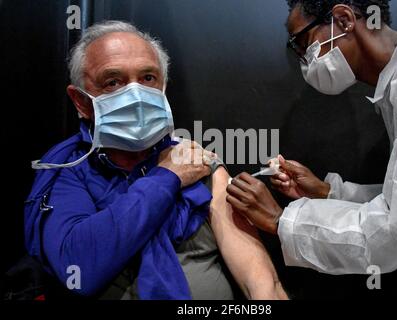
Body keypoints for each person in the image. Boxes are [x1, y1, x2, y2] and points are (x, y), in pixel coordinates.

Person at [25, 20, 287, 300]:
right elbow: (78, 268)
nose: (136, 95)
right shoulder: (67, 170)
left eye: (148, 78)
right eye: (113, 82)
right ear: (81, 101)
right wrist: (167, 177)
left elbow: (260, 281)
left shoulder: (197, 162)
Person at [226, 0, 397, 275]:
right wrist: (328, 193)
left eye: (303, 43)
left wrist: (280, 220)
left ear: (344, 20)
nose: (304, 61)